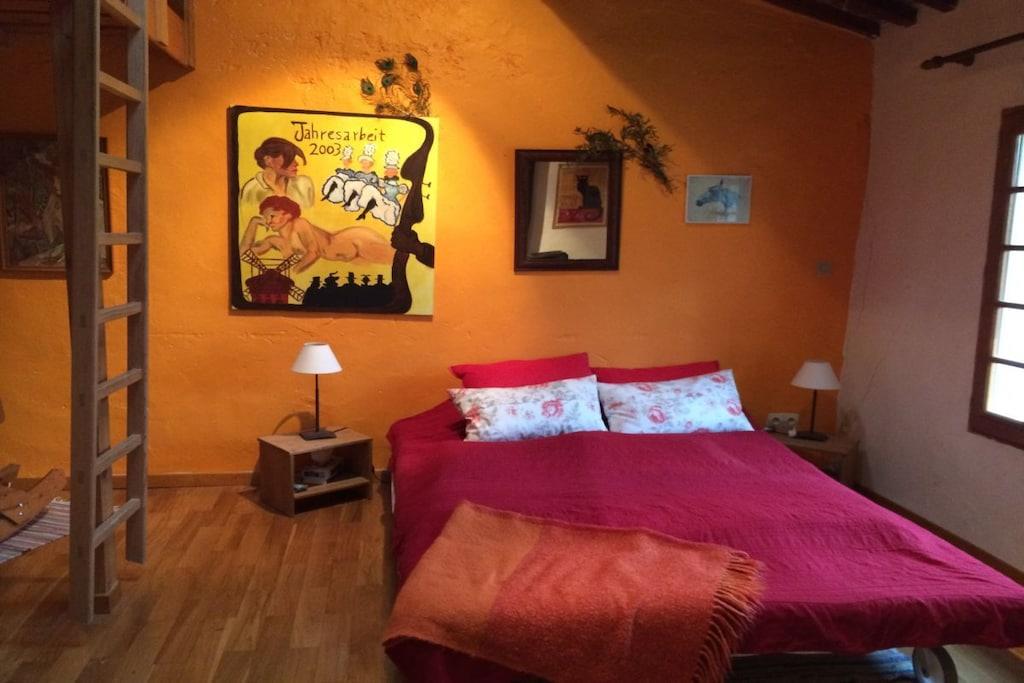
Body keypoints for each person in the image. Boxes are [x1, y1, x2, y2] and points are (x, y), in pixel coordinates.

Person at [240, 195, 394, 272]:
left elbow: (313, 252)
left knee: (394, 261)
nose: (268, 221)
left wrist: (292, 272)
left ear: (287, 214)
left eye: (272, 216)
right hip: (349, 258)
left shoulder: (299, 224)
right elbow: (243, 254)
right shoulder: (275, 241)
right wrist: (253, 223)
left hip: (354, 240)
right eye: (265, 218)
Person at [239, 137, 315, 209]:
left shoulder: (304, 184)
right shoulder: (252, 189)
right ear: (268, 160)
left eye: (294, 158)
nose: (296, 163)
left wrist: (275, 188)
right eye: (288, 158)